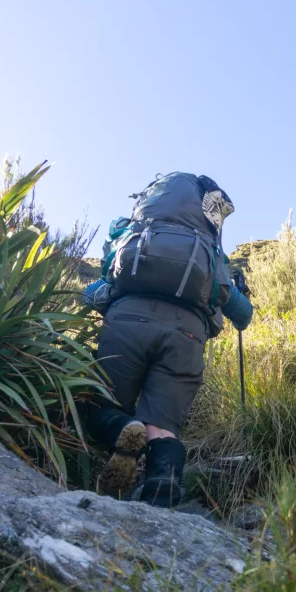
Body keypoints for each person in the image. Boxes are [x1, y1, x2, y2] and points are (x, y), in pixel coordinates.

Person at [82, 173, 253, 508]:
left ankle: (122, 428)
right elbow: (243, 315)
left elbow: (92, 295)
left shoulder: (135, 236)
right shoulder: (210, 252)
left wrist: (115, 298)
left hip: (126, 323)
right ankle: (161, 501)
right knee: (163, 428)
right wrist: (238, 293)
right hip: (186, 335)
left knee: (99, 405)